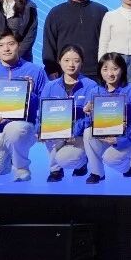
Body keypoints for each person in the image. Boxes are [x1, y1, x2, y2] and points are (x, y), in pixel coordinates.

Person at [0, 29, 49, 184]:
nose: (6, 49)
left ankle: (21, 168)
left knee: (14, 129)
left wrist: (31, 93)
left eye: (11, 44)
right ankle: (5, 162)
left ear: (18, 45)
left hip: (23, 128)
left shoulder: (35, 71)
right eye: (0, 45)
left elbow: (46, 104)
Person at [81, 52, 131, 183]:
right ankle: (97, 173)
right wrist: (88, 113)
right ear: (100, 71)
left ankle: (127, 169)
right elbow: (88, 124)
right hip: (104, 136)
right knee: (87, 132)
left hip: (127, 138)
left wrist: (119, 140)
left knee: (110, 159)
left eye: (115, 69)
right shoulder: (94, 92)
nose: (110, 73)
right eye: (105, 69)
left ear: (122, 70)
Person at [40, 44, 97, 182]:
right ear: (59, 61)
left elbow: (92, 118)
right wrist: (40, 129)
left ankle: (82, 162)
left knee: (66, 159)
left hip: (79, 136)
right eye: (66, 60)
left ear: (82, 62)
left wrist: (74, 130)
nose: (71, 64)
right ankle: (55, 170)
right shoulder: (50, 86)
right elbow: (42, 113)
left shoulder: (91, 86)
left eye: (76, 60)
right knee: (48, 131)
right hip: (57, 134)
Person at [42, 0, 108, 79]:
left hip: (96, 72)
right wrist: (51, 68)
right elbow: (49, 42)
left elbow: (108, 42)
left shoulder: (101, 11)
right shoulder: (56, 12)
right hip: (65, 72)